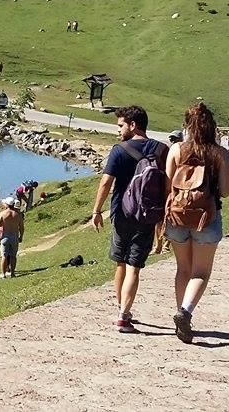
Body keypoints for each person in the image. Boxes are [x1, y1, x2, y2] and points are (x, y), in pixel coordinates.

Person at [92, 105, 168, 333]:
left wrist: (96, 210)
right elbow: (167, 183)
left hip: (122, 213)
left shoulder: (119, 150)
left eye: (120, 126)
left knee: (121, 263)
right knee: (134, 266)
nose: (118, 131)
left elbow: (106, 182)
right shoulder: (162, 149)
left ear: (133, 125)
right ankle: (124, 315)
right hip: (148, 214)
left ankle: (120, 307)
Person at [164, 103, 229, 343]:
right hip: (207, 217)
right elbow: (224, 191)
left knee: (182, 268)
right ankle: (185, 312)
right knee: (200, 272)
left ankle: (181, 313)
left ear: (186, 126)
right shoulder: (220, 153)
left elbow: (168, 185)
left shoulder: (176, 150)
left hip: (177, 215)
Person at [0, 197, 24, 279]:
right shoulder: (18, 215)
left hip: (5, 237)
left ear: (7, 204)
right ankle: (13, 273)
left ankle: (3, 274)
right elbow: (21, 227)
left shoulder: (3, 214)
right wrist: (21, 236)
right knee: (13, 256)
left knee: (4, 256)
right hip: (14, 237)